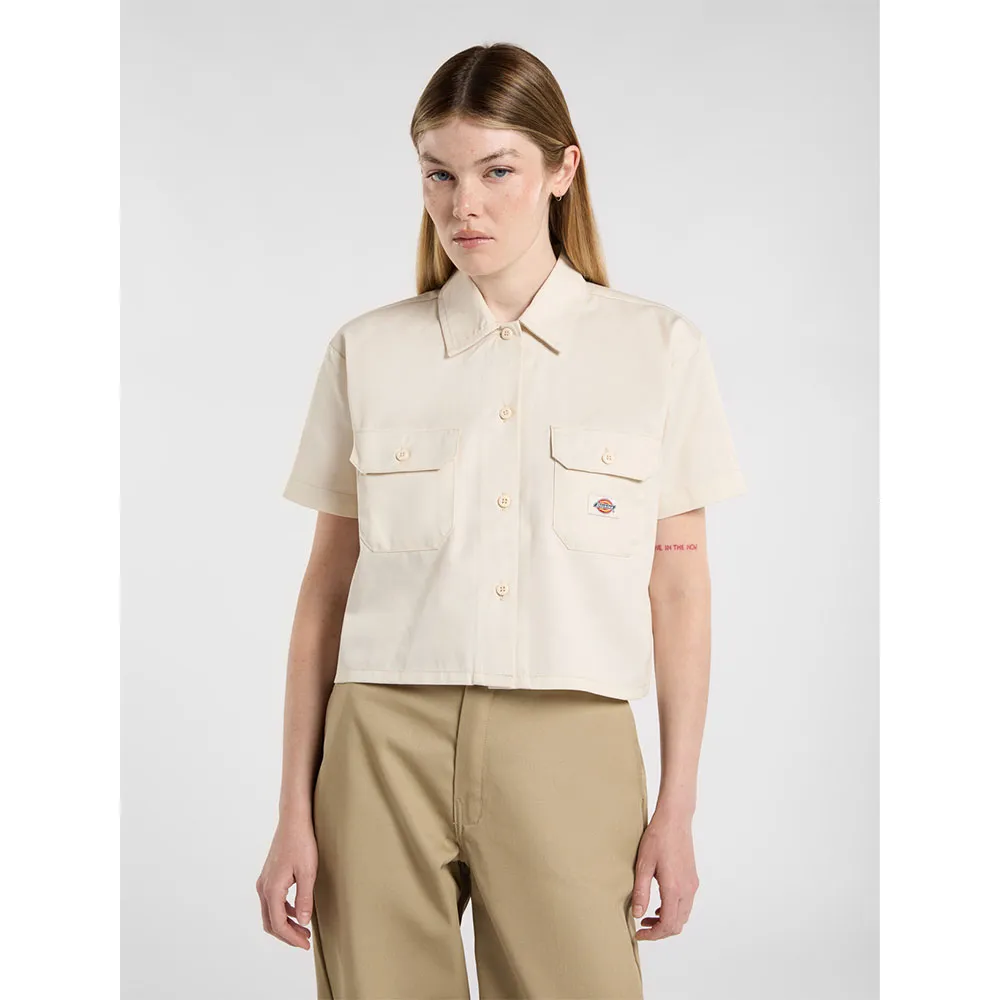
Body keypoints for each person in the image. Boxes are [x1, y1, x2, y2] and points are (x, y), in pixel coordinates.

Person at [256, 41, 747, 1000]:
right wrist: (293, 811)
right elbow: (326, 592)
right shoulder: (368, 351)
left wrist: (678, 808)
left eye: (497, 171)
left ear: (563, 170)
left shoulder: (657, 349)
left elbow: (680, 589)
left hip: (570, 744)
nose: (462, 206)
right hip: (379, 745)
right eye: (438, 174)